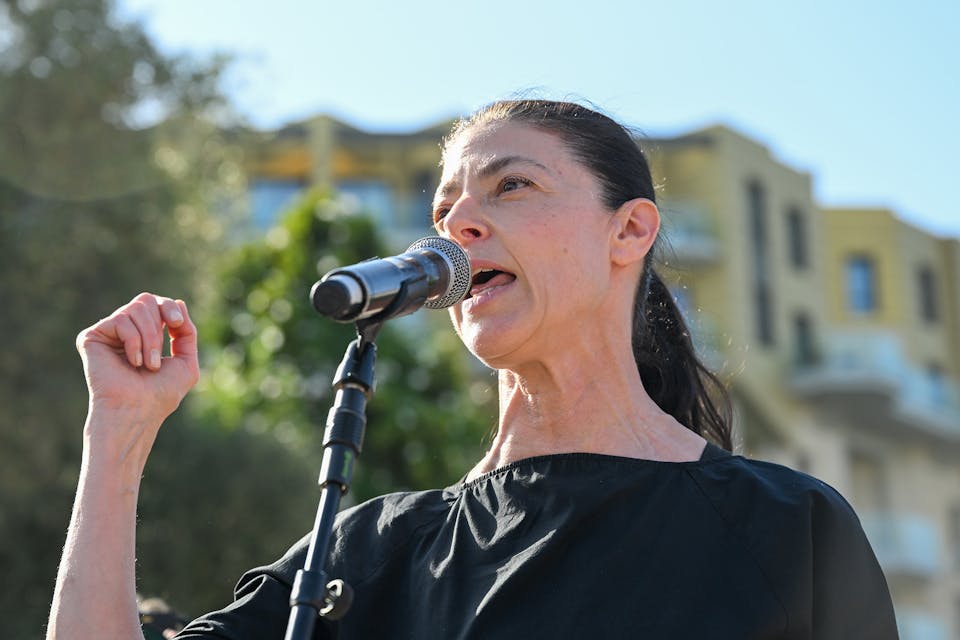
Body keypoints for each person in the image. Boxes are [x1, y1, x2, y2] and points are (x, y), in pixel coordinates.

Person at [47, 100, 899, 639]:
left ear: (629, 232)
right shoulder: (364, 555)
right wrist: (117, 431)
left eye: (511, 187)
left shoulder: (788, 530)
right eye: (444, 209)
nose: (459, 226)